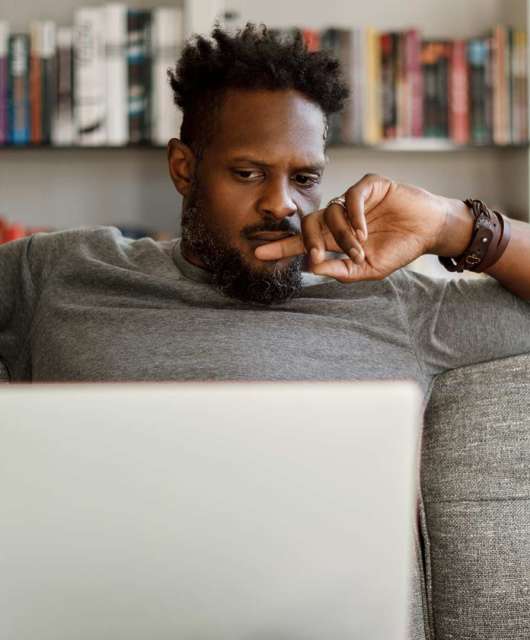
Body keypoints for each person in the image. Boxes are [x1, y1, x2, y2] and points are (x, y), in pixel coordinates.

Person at [0, 24, 529, 397]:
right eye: (248, 173)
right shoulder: (63, 271)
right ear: (184, 169)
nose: (282, 204)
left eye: (304, 179)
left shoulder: (392, 302)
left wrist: (452, 226)